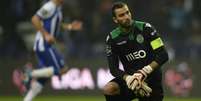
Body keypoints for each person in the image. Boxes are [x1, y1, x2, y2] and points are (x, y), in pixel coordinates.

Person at [103, 2, 169, 101]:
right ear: (115, 20)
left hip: (151, 80)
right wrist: (128, 78)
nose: (127, 16)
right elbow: (113, 68)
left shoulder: (146, 29)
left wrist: (143, 72)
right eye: (121, 15)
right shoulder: (112, 39)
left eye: (127, 12)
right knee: (110, 88)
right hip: (131, 81)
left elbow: (163, 55)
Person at [22, 0, 82, 101]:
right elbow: (35, 19)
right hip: (43, 45)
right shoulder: (49, 6)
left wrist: (70, 26)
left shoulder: (57, 8)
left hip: (47, 45)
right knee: (62, 69)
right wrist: (46, 35)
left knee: (43, 78)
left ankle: (27, 99)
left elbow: (57, 24)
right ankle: (30, 73)